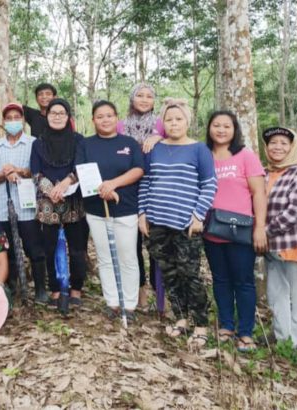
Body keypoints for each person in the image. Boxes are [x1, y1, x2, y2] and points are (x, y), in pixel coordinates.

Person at [138, 98, 216, 347]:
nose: (174, 123)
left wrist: (198, 215)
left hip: (185, 223)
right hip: (157, 222)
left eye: (178, 119)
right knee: (169, 273)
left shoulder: (199, 149)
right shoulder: (155, 148)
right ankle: (181, 318)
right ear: (163, 123)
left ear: (187, 121)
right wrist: (142, 213)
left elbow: (209, 184)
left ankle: (201, 323)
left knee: (189, 274)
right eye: (169, 119)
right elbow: (146, 181)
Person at [203, 111, 267, 353]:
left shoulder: (245, 156)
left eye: (226, 126)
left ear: (234, 129)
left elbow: (259, 192)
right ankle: (227, 325)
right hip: (212, 229)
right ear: (209, 128)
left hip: (241, 231)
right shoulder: (204, 155)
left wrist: (259, 227)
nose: (221, 130)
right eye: (216, 125)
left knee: (243, 281)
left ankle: (246, 332)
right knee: (220, 279)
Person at [76, 101, 144, 320]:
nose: (105, 120)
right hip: (97, 209)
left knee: (128, 256)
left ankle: (130, 304)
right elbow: (82, 172)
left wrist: (113, 185)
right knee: (105, 257)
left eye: (109, 115)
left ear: (117, 118)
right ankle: (112, 302)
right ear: (93, 120)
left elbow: (138, 169)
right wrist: (102, 189)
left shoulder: (129, 143)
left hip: (126, 209)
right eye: (99, 116)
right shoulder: (86, 144)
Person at [262, 127, 297, 355]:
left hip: (295, 245)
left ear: (292, 147)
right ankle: (282, 337)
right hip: (271, 248)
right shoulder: (265, 173)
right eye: (273, 142)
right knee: (276, 295)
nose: (278, 147)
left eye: (284, 143)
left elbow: (296, 211)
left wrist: (265, 231)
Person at [30, 98, 89, 306]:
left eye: (61, 113)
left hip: (73, 198)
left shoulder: (78, 140)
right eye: (53, 112)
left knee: (77, 248)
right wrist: (51, 190)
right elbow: (35, 172)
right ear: (46, 116)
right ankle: (55, 290)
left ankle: (75, 290)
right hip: (48, 202)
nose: (57, 116)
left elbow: (81, 167)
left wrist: (65, 184)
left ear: (68, 117)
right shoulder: (38, 143)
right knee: (49, 247)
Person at [0, 102, 47, 303]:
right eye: (9, 118)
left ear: (23, 120)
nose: (13, 121)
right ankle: (13, 289)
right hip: (3, 207)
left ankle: (40, 290)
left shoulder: (33, 143)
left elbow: (38, 171)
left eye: (17, 117)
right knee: (9, 250)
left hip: (27, 206)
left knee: (35, 249)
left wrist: (19, 170)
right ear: (3, 122)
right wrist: (4, 173)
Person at [117, 82, 166, 312]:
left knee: (156, 244)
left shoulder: (162, 123)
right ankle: (140, 291)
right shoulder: (121, 125)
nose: (145, 99)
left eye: (149, 96)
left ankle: (161, 295)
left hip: (155, 188)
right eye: (140, 95)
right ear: (131, 98)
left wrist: (158, 138)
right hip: (128, 188)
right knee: (133, 244)